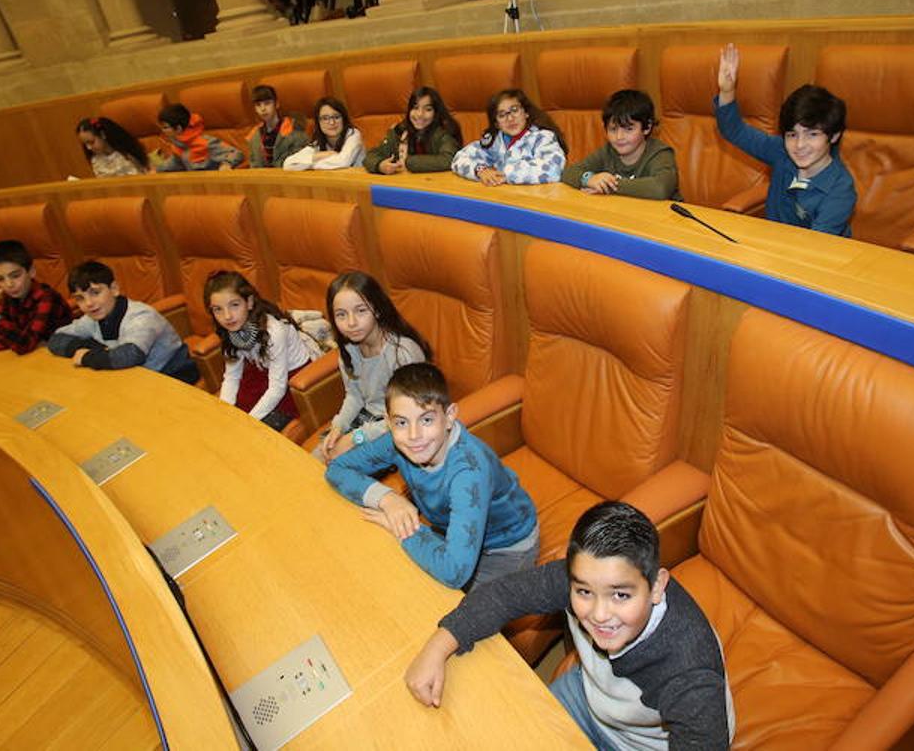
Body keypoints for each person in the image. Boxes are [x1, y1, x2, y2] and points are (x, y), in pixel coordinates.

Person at [404, 501, 734, 749]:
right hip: (590, 696)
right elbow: (504, 594)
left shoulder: (690, 675)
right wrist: (437, 647)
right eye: (584, 592)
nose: (599, 614)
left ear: (658, 586)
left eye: (620, 595)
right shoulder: (584, 577)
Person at [324, 362, 540, 589]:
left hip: (505, 548)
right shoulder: (398, 443)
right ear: (388, 423)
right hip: (452, 529)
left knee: (447, 609)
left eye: (426, 419)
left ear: (449, 417)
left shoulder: (468, 472)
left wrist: (402, 527)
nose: (414, 435)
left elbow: (453, 572)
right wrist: (388, 499)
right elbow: (337, 469)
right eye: (401, 422)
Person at [713, 43, 857, 236]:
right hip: (773, 248)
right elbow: (735, 131)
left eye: (812, 134)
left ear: (834, 136)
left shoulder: (841, 189)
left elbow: (816, 247)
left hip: (814, 259)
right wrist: (727, 91)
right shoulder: (781, 152)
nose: (799, 145)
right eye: (792, 134)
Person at [313, 270, 430, 462]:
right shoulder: (348, 349)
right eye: (341, 315)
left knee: (338, 470)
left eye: (361, 311)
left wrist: (356, 438)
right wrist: (339, 427)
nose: (351, 323)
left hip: (401, 428)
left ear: (376, 309)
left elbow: (409, 415)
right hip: (369, 420)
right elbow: (355, 394)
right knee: (316, 459)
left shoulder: (402, 353)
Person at [47, 260, 199, 384]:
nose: (88, 303)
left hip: (172, 374)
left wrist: (88, 357)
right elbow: (56, 340)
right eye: (80, 298)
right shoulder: (91, 318)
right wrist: (95, 351)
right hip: (132, 376)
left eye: (95, 293)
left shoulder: (141, 316)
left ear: (114, 289)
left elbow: (130, 355)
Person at [205, 270, 320, 431]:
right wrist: (226, 413)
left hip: (290, 375)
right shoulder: (230, 329)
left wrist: (249, 422)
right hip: (263, 369)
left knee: (258, 428)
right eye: (218, 309)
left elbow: (277, 388)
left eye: (234, 305)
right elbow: (231, 377)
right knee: (227, 417)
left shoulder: (274, 331)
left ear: (249, 302)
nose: (227, 316)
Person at [561, 89, 680, 200]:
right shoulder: (608, 151)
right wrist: (588, 179)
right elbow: (568, 172)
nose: (619, 137)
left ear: (647, 127)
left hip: (665, 218)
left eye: (628, 129)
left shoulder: (660, 153)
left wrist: (608, 185)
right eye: (613, 129)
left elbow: (660, 188)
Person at [451, 89, 566, 187]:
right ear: (496, 124)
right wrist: (480, 170)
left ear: (526, 113)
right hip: (504, 198)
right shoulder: (495, 141)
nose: (510, 118)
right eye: (502, 115)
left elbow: (553, 170)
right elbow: (459, 158)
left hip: (536, 201)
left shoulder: (543, 137)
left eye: (515, 110)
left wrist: (504, 174)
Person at [0, 239, 72, 355]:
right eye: (0, 279)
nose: (9, 284)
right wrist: (15, 340)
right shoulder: (6, 298)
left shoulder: (47, 297)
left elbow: (24, 345)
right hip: (34, 358)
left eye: (15, 276)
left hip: (60, 357)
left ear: (31, 271)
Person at [364, 87, 463, 175]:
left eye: (428, 109)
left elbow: (450, 159)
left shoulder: (444, 131)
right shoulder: (401, 130)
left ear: (436, 113)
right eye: (415, 108)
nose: (420, 114)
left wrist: (408, 162)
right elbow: (371, 155)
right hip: (405, 186)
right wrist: (380, 165)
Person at [282, 98, 364, 171]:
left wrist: (307, 165)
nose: (332, 122)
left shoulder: (353, 135)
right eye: (325, 118)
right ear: (318, 122)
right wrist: (321, 155)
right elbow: (288, 164)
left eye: (336, 117)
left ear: (344, 119)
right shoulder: (318, 143)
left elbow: (342, 162)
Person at [155, 103, 243, 171]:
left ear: (178, 128)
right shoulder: (178, 145)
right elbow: (175, 163)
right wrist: (156, 170)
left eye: (165, 127)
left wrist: (226, 164)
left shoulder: (206, 142)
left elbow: (236, 153)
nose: (163, 131)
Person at [245, 84, 309, 168]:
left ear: (277, 104)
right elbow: (254, 165)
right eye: (258, 105)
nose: (263, 109)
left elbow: (301, 158)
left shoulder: (294, 129)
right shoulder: (254, 136)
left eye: (267, 103)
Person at [77, 116, 150, 177]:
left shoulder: (127, 155)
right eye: (85, 144)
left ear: (103, 135)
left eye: (91, 142)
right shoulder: (96, 160)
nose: (89, 148)